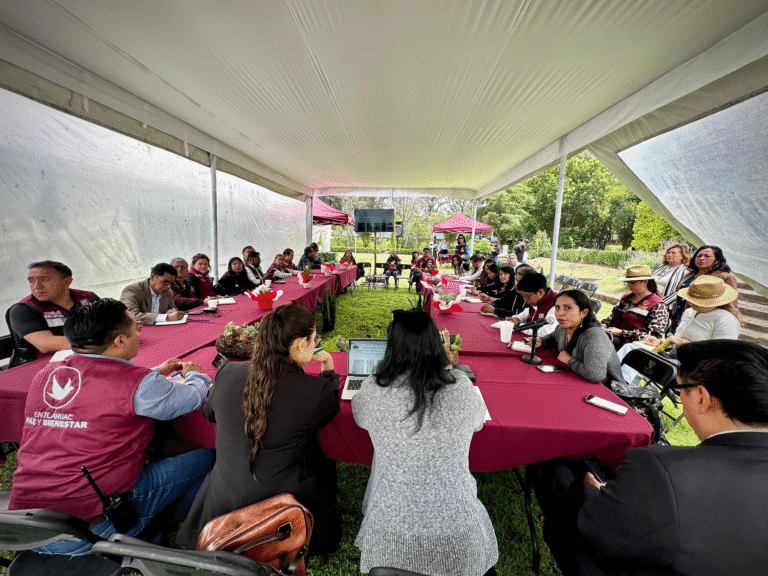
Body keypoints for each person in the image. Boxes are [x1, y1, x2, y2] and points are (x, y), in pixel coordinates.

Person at [533, 339, 768, 576]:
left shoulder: (660, 468)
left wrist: (591, 489)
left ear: (701, 398)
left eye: (679, 390)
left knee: (556, 471)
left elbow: (596, 532)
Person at [9, 299, 214, 555]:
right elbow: (192, 397)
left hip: (25, 527)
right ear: (119, 341)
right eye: (135, 330)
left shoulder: (45, 375)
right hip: (87, 530)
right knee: (206, 457)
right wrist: (195, 374)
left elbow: (99, 387)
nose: (139, 334)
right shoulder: (137, 384)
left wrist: (155, 373)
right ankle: (149, 526)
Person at [178, 304, 340, 556]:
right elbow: (327, 412)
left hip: (221, 501)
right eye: (313, 338)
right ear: (299, 344)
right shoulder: (313, 391)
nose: (315, 343)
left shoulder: (228, 371)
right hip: (279, 507)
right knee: (321, 459)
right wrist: (328, 369)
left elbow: (209, 414)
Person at [352, 310, 498, 576]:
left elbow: (360, 418)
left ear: (392, 347)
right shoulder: (461, 387)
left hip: (390, 527)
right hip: (459, 526)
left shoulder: (374, 388)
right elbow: (478, 423)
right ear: (436, 344)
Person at [7, 260, 99, 368]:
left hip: (82, 360)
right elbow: (45, 344)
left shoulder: (88, 298)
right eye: (31, 281)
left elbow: (117, 323)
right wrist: (105, 342)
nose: (37, 286)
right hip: (35, 369)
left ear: (67, 281)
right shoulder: (22, 309)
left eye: (44, 279)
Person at [537, 291, 625, 385]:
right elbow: (552, 337)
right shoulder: (564, 327)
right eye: (557, 308)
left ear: (583, 312)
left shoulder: (594, 336)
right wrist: (541, 341)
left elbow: (595, 375)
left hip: (605, 389)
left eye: (567, 308)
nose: (560, 313)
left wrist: (569, 360)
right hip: (574, 378)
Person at [671, 245, 738, 328]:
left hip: (704, 321)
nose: (701, 258)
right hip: (681, 317)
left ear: (717, 259)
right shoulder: (690, 275)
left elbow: (730, 303)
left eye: (707, 256)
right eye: (699, 256)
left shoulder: (724, 277)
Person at [602, 266, 668, 348]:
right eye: (628, 282)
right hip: (611, 337)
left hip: (632, 345)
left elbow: (653, 336)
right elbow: (613, 316)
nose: (629, 286)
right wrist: (604, 325)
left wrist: (622, 333)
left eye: (633, 283)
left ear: (645, 282)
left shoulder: (658, 305)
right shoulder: (625, 298)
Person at [507, 271, 558, 337]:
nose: (525, 300)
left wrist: (519, 325)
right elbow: (526, 313)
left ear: (540, 292)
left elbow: (545, 332)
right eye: (523, 296)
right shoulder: (537, 300)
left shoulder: (557, 304)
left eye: (527, 296)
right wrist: (517, 318)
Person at [652, 244, 690, 310]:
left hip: (668, 306)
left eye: (673, 253)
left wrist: (661, 303)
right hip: (651, 302)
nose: (669, 254)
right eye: (668, 253)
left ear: (682, 256)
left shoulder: (686, 271)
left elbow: (683, 290)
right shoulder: (659, 267)